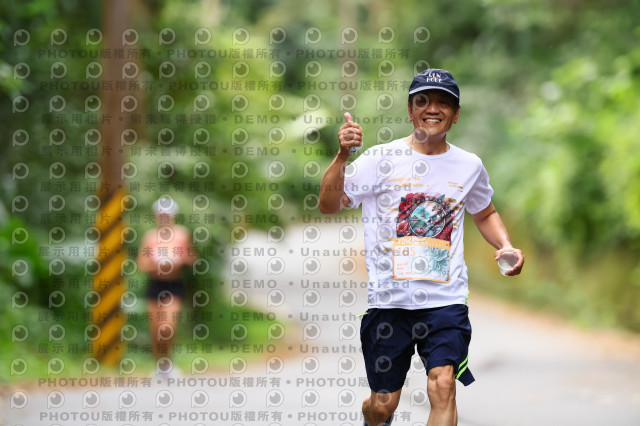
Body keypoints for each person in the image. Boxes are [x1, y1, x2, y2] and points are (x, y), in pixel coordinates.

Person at [319, 69, 524, 426]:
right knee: (382, 406)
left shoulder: (469, 165)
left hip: (446, 300)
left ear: (456, 114)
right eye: (423, 101)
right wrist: (341, 157)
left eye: (444, 102)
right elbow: (328, 204)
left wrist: (506, 245)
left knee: (443, 384)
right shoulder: (380, 159)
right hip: (389, 302)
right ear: (410, 110)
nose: (433, 108)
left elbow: (485, 212)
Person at [137, 196, 198, 377]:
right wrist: (158, 264)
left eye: (167, 215)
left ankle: (168, 362)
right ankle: (160, 365)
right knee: (156, 330)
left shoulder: (182, 234)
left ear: (173, 216)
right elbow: (141, 264)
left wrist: (178, 260)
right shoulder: (150, 237)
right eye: (161, 215)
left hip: (173, 285)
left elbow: (192, 258)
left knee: (167, 327)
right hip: (155, 284)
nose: (164, 218)